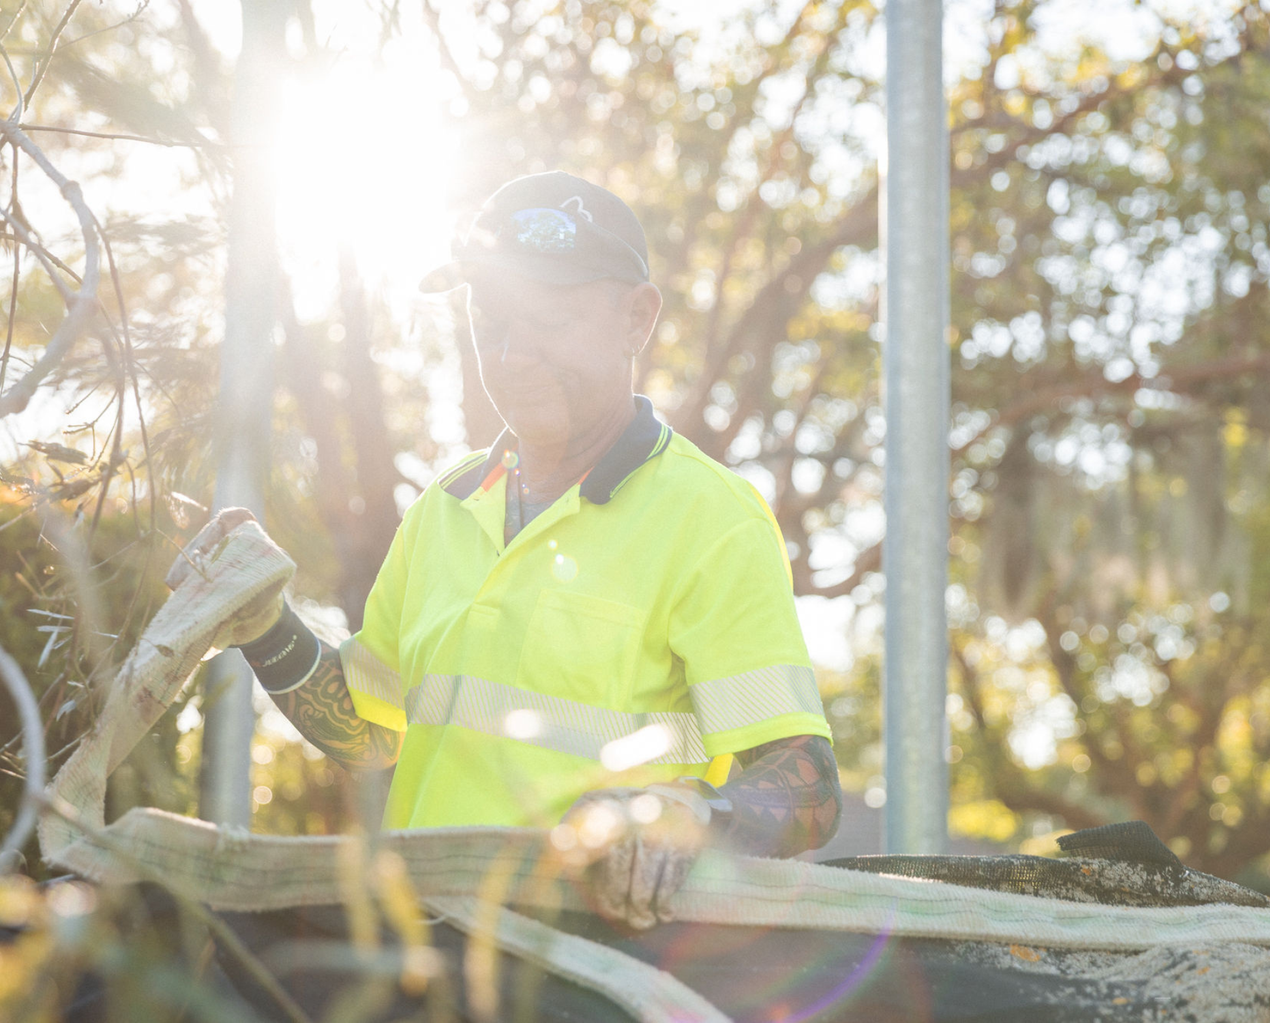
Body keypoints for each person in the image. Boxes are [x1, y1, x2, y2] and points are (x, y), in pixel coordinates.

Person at [194, 171, 842, 930]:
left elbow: (810, 787)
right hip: (421, 963)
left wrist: (684, 813)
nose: (513, 353)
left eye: (552, 319)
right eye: (491, 319)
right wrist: (265, 624)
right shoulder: (446, 505)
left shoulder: (712, 518)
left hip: (589, 974)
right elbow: (370, 732)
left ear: (637, 319)